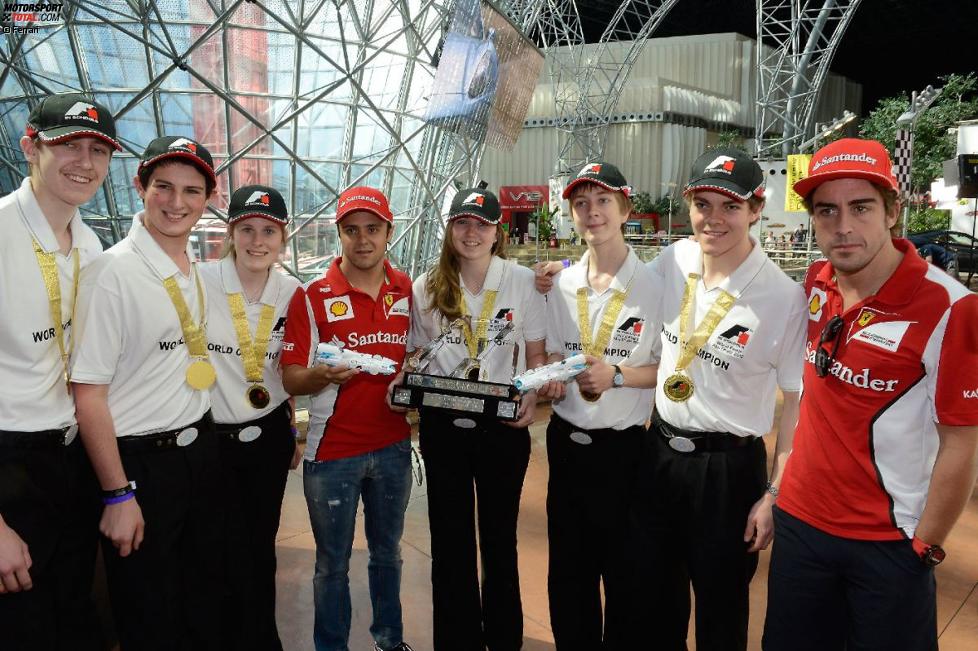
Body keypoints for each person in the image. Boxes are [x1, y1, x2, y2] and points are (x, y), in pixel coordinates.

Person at [762, 138, 978, 650]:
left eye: (860, 207)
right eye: (826, 211)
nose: (842, 226)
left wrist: (926, 544)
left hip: (888, 543)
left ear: (892, 211)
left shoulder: (951, 307)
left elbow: (963, 442)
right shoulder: (817, 281)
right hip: (799, 525)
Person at [631, 147, 807, 650]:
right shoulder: (676, 257)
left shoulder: (782, 296)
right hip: (660, 454)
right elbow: (621, 282)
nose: (714, 218)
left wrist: (774, 493)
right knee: (657, 598)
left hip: (727, 472)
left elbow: (796, 403)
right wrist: (559, 273)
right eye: (702, 204)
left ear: (757, 209)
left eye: (730, 206)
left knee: (722, 610)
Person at [71, 135, 223, 650]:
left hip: (197, 452)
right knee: (147, 612)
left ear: (209, 200)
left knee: (195, 601)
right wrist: (118, 493)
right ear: (140, 187)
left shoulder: (190, 268)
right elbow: (88, 392)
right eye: (163, 187)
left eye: (191, 191)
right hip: (142, 466)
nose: (176, 203)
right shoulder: (113, 273)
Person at [0, 92, 120, 650]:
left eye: (99, 150)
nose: (85, 162)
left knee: (71, 614)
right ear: (31, 146)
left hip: (69, 459)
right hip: (10, 464)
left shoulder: (91, 247)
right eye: (68, 144)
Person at [406, 189, 546, 650]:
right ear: (449, 229)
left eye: (482, 224)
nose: (471, 232)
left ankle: (505, 639)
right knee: (450, 543)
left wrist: (531, 397)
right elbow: (417, 357)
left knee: (500, 542)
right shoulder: (426, 286)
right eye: (462, 222)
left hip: (501, 429)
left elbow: (536, 355)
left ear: (497, 231)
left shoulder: (523, 281)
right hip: (444, 428)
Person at [281, 186, 415, 651]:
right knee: (331, 564)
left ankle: (390, 640)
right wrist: (320, 375)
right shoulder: (312, 296)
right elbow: (291, 377)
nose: (362, 240)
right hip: (332, 452)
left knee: (387, 556)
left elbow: (422, 352)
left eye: (372, 230)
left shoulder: (406, 290)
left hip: (395, 447)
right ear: (339, 233)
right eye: (352, 230)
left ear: (388, 233)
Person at [535, 161, 663, 650]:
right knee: (568, 575)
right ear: (571, 214)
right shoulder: (561, 284)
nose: (592, 213)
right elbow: (549, 352)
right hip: (566, 445)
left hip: (625, 452)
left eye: (603, 201)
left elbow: (669, 369)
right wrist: (549, 378)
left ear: (625, 208)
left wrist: (618, 376)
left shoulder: (655, 285)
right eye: (581, 204)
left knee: (627, 577)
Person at [199, 185, 301, 650]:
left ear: (282, 237)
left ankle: (261, 638)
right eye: (247, 230)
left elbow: (297, 368)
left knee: (260, 547)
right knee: (216, 550)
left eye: (268, 231)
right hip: (210, 440)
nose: (257, 242)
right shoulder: (200, 282)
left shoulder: (294, 293)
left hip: (269, 437)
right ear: (231, 232)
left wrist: (298, 435)